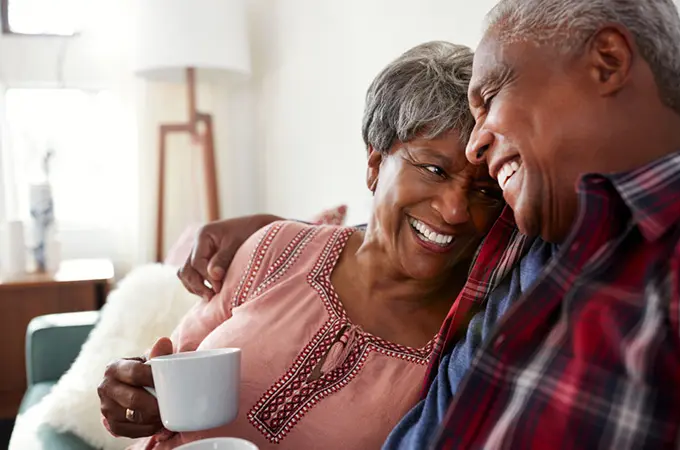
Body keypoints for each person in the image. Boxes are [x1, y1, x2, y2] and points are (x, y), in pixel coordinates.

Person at [180, 1, 680, 449]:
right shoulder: (526, 244)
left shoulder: (677, 255)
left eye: (491, 95)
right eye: (435, 167)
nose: (477, 144)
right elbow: (383, 240)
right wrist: (271, 235)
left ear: (607, 63)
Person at [98, 41, 506, 450]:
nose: (455, 211)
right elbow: (166, 375)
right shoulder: (276, 248)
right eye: (434, 170)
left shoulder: (467, 343)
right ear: (376, 162)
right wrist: (131, 397)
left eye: (485, 190)